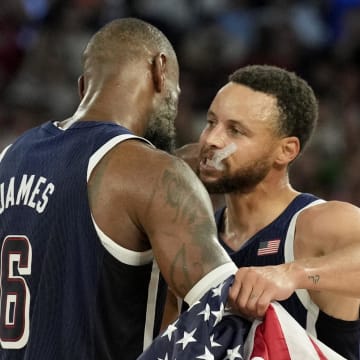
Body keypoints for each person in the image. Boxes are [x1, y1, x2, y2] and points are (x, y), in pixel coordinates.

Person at [0, 18, 240, 360]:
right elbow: (225, 306)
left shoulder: (11, 156)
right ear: (160, 68)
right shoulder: (151, 172)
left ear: (84, 87)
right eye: (176, 90)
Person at [186, 64, 360, 360]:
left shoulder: (314, 224)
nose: (212, 140)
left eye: (235, 130)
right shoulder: (201, 237)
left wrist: (294, 274)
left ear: (286, 151)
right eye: (210, 122)